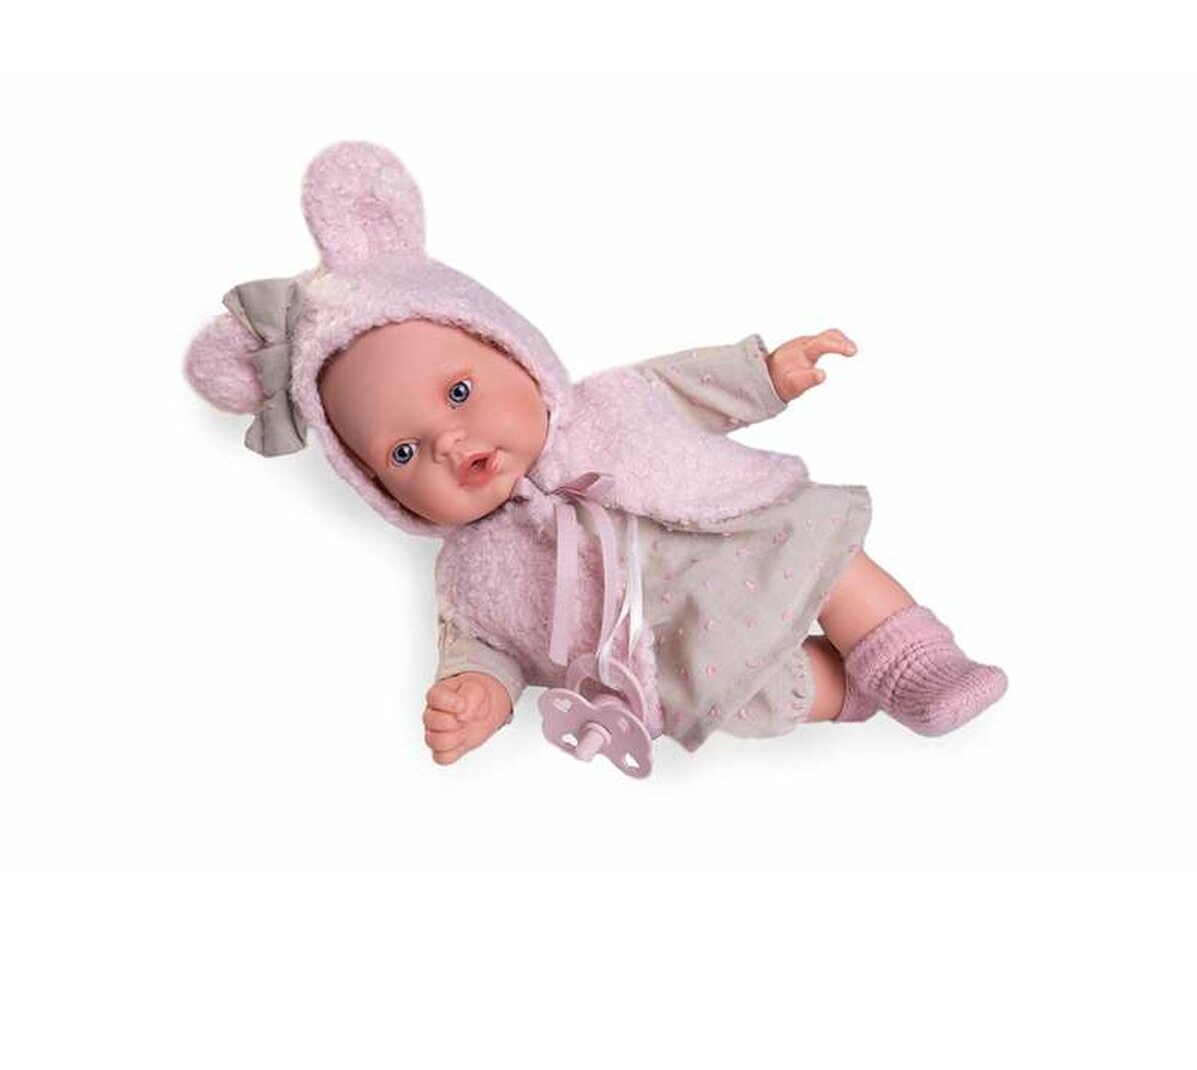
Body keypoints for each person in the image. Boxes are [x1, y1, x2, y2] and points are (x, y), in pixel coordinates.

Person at [185, 141, 1007, 774]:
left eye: (460, 393)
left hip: (745, 542)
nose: (451, 442)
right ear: (378, 488)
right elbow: (483, 643)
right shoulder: (473, 573)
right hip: (680, 660)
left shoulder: (609, 404)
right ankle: (857, 691)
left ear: (515, 353)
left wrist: (768, 373)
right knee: (773, 697)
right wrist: (478, 693)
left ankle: (916, 663)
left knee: (833, 562)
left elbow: (694, 388)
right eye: (404, 451)